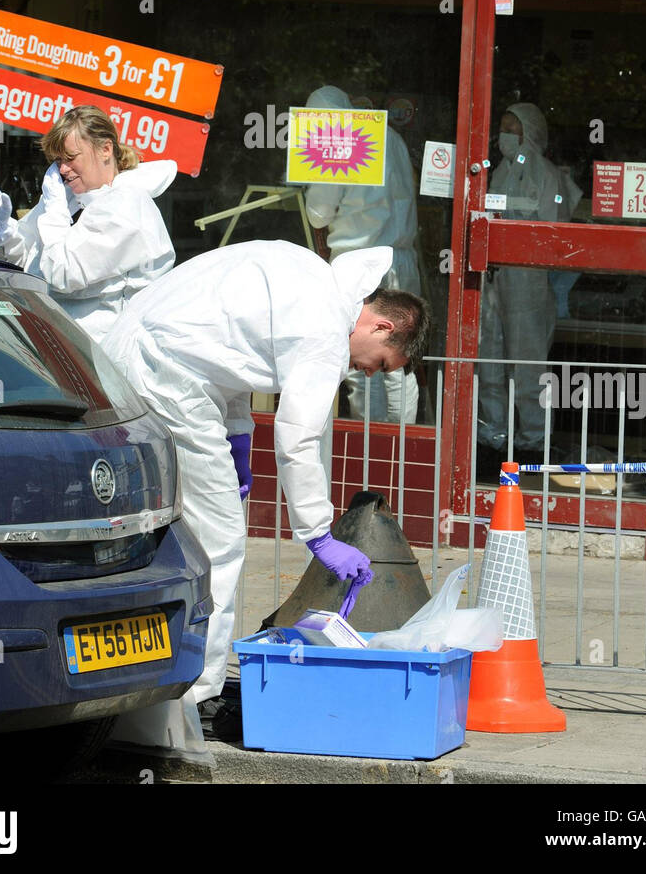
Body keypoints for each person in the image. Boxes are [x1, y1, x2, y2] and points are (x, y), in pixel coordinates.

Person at [101, 238, 430, 746]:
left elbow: (229, 351)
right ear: (382, 326)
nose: (368, 372)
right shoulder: (326, 327)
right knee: (221, 541)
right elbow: (298, 439)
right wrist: (319, 535)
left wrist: (236, 438)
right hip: (164, 376)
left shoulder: (307, 274)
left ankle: (148, 667)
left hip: (144, 358)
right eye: (381, 363)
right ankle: (196, 690)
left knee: (168, 530)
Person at [0, 105, 177, 343]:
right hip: (55, 348)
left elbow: (62, 273)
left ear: (105, 149)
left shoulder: (127, 205)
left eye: (70, 158)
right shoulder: (70, 200)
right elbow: (28, 265)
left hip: (102, 359)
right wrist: (2, 234)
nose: (62, 169)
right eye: (58, 160)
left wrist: (55, 209)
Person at [302, 85, 422, 424]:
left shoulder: (338, 137)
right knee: (399, 358)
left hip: (358, 263)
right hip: (401, 257)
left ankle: (369, 450)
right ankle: (403, 444)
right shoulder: (390, 137)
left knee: (360, 361)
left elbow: (318, 214)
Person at [476, 102, 581, 476]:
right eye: (502, 126)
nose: (504, 135)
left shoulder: (544, 173)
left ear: (529, 131)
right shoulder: (501, 169)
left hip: (529, 278)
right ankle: (494, 436)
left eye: (512, 127)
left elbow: (555, 232)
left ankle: (533, 440)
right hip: (498, 275)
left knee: (527, 360)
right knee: (491, 356)